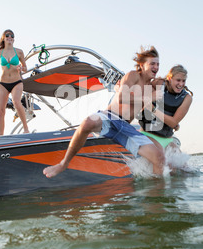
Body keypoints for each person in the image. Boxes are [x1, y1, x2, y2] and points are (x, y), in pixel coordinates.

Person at [43, 46, 166, 178]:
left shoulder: (151, 87)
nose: (156, 67)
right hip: (110, 117)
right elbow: (121, 97)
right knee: (87, 123)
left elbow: (148, 110)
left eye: (158, 64)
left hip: (125, 128)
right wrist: (148, 97)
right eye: (152, 63)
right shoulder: (134, 75)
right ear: (142, 65)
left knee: (159, 158)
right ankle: (63, 164)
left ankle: (155, 194)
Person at [138, 64, 193, 151]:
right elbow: (143, 87)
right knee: (161, 158)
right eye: (178, 80)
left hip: (167, 139)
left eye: (183, 81)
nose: (181, 84)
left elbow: (173, 122)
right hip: (147, 134)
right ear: (170, 78)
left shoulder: (187, 98)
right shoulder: (159, 83)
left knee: (183, 164)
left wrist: (152, 109)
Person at [0, 29, 30, 135]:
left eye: (12, 36)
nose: (10, 37)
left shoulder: (19, 52)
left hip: (17, 82)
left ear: (14, 39)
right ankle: (0, 135)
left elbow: (25, 68)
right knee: (0, 110)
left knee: (16, 102)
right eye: (7, 36)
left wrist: (22, 67)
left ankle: (26, 129)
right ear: (4, 38)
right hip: (3, 83)